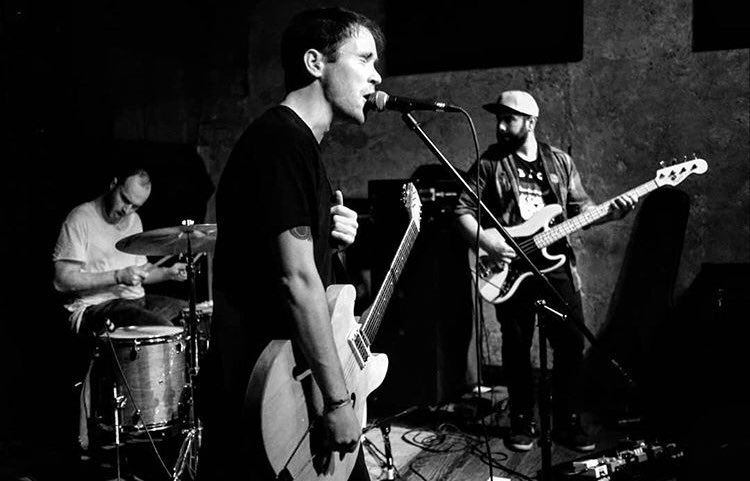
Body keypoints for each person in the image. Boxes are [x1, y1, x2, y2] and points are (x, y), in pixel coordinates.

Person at [195, 7, 382, 480]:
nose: (377, 77)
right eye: (364, 59)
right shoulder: (282, 141)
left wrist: (329, 244)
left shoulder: (297, 145)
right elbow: (296, 281)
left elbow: (278, 262)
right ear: (315, 62)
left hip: (290, 384)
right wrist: (337, 401)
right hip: (267, 395)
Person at [453, 90, 638, 452]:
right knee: (517, 347)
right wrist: (489, 243)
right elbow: (462, 211)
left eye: (509, 119)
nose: (500, 126)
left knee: (570, 344)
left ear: (531, 122)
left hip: (556, 267)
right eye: (499, 119)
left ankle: (567, 421)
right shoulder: (490, 163)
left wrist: (612, 213)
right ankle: (522, 421)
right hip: (510, 268)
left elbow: (583, 211)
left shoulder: (560, 162)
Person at [52, 164, 189, 449]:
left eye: (135, 206)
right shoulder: (81, 219)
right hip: (94, 307)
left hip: (133, 299)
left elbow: (140, 273)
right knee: (160, 327)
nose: (127, 210)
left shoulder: (134, 220)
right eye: (125, 200)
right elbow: (62, 280)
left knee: (189, 314)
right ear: (113, 183)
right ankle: (149, 420)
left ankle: (183, 414)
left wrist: (167, 273)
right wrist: (117, 276)